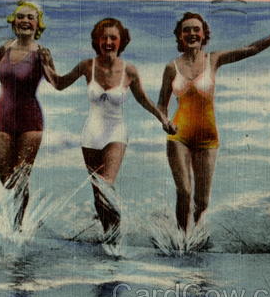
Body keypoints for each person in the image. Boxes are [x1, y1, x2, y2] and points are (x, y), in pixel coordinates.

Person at [157, 10, 270, 232]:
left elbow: (251, 49)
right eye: (186, 30)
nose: (191, 33)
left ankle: (195, 237)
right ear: (179, 35)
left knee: (202, 202)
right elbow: (161, 105)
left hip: (208, 138)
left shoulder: (213, 60)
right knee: (185, 192)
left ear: (204, 34)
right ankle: (181, 240)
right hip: (179, 136)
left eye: (196, 29)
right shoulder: (172, 68)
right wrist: (164, 121)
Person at [40, 18, 176, 243]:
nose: (108, 42)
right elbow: (59, 83)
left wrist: (163, 119)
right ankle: (108, 238)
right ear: (97, 41)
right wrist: (48, 62)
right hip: (91, 133)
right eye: (104, 38)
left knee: (105, 184)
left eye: (113, 37)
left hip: (116, 133)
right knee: (97, 193)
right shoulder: (87, 66)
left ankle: (118, 229)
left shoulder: (129, 71)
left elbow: (145, 100)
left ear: (121, 41)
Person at [0, 1, 55, 231]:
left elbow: (56, 83)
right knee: (7, 181)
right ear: (13, 22)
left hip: (30, 122)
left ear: (37, 24)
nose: (25, 21)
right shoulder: (7, 46)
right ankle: (13, 219)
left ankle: (17, 226)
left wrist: (50, 63)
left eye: (30, 17)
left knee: (21, 177)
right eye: (20, 17)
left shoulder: (40, 53)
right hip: (3, 119)